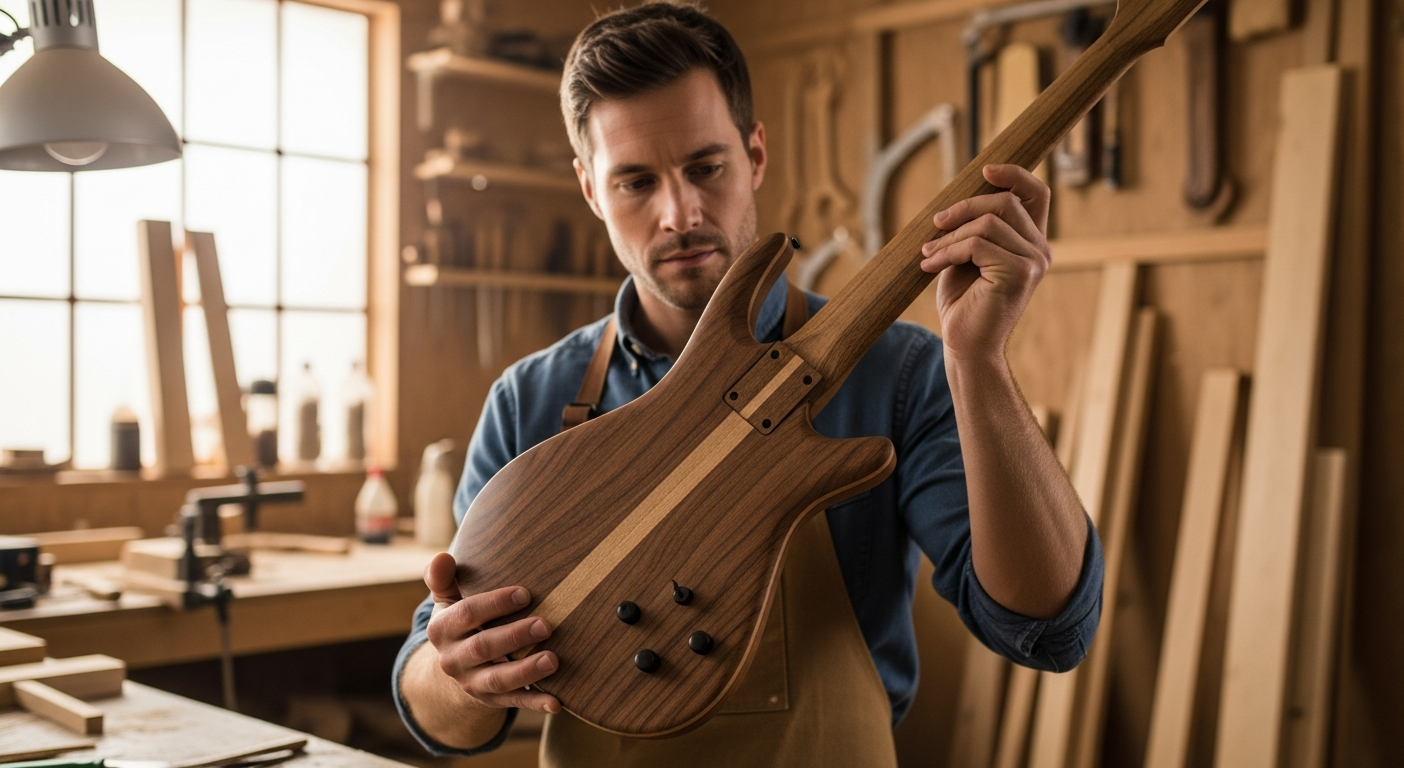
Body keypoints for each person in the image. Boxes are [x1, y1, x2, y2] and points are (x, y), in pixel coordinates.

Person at [393, 3, 1103, 765]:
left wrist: (980, 359)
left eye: (707, 167)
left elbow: (1046, 632)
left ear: (755, 154)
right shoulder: (530, 400)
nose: (680, 213)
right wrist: (458, 674)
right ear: (591, 190)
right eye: (635, 181)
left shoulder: (898, 374)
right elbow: (441, 719)